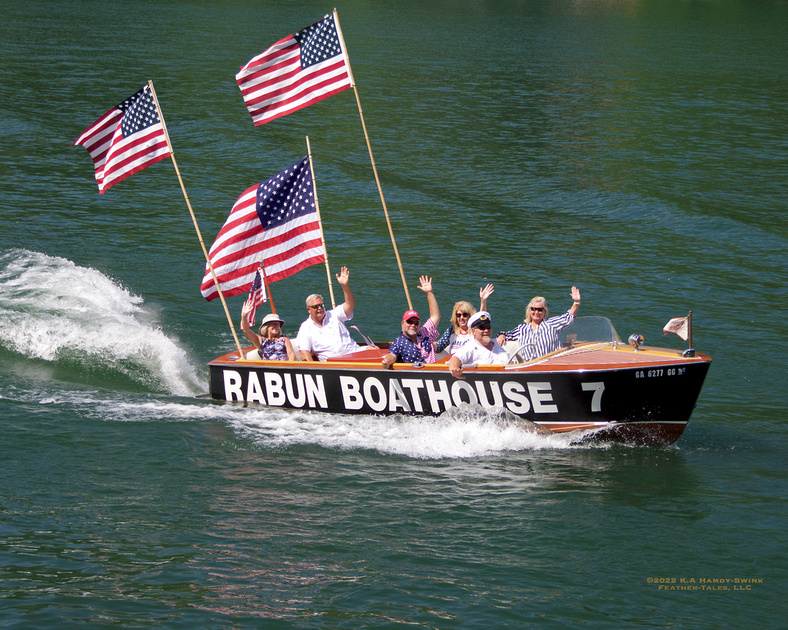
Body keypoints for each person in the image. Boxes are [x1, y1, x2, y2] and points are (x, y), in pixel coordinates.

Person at [294, 266, 362, 361]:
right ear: (308, 310)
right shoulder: (306, 327)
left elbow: (350, 305)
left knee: (375, 351)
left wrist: (345, 285)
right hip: (331, 364)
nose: (320, 308)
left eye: (321, 305)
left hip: (354, 353)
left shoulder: (334, 314)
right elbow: (304, 352)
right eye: (316, 306)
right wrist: (314, 370)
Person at [496, 286, 581, 361]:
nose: (536, 312)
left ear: (544, 312)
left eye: (540, 310)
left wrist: (576, 303)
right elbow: (506, 334)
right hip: (531, 366)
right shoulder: (521, 329)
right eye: (533, 309)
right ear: (529, 311)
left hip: (552, 364)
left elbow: (568, 317)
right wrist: (502, 336)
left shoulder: (551, 324)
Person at [381, 276, 441, 368]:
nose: (413, 325)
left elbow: (435, 316)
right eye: (409, 322)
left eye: (416, 323)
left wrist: (429, 293)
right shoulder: (398, 342)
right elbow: (392, 355)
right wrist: (387, 361)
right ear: (403, 324)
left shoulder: (425, 332)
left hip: (435, 371)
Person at [435, 284, 495, 354]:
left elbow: (482, 320)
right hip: (454, 363)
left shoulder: (475, 331)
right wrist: (423, 343)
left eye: (465, 315)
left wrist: (483, 301)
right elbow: (439, 347)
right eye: (458, 315)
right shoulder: (451, 331)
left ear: (470, 316)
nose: (461, 318)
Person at [449, 311, 508, 379]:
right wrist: (455, 370)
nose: (486, 330)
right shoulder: (471, 346)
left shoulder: (497, 345)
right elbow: (455, 359)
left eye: (488, 327)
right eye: (482, 328)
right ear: (473, 331)